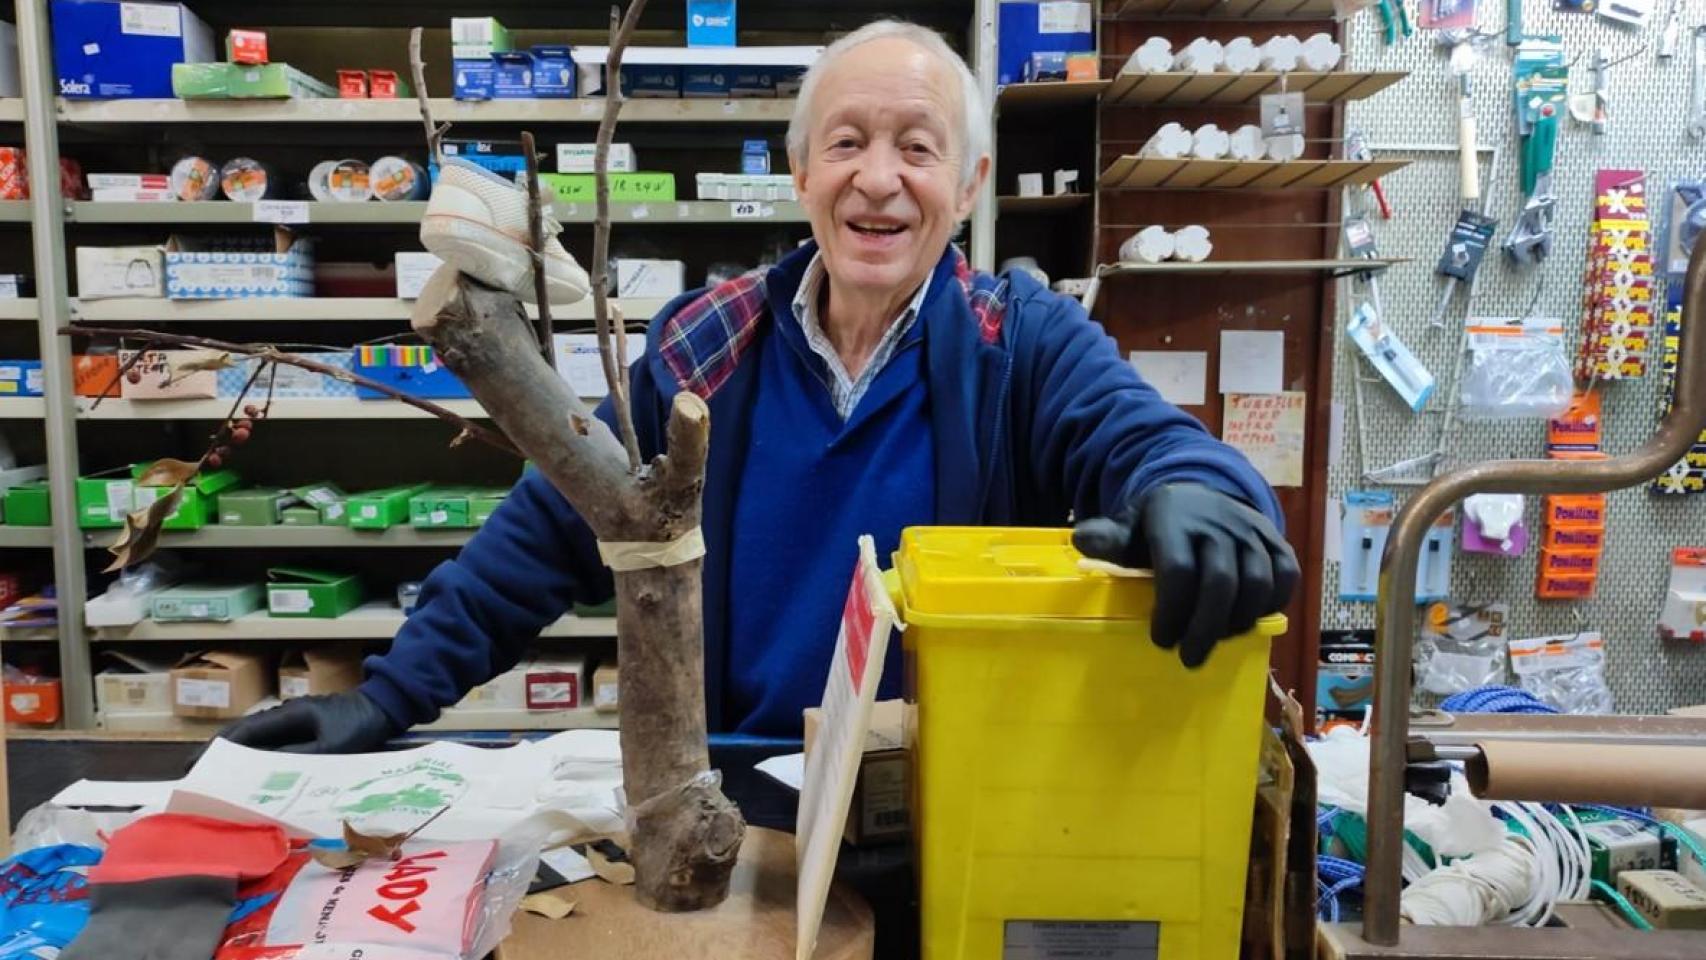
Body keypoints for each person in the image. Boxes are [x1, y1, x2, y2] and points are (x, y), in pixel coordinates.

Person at [220, 20, 1298, 752]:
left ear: (968, 186)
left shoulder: (1019, 341)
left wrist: (1202, 495)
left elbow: (1140, 440)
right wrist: (383, 696)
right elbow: (551, 525)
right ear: (800, 173)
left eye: (917, 149)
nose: (878, 178)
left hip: (943, 789)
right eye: (846, 143)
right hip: (737, 789)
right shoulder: (708, 344)